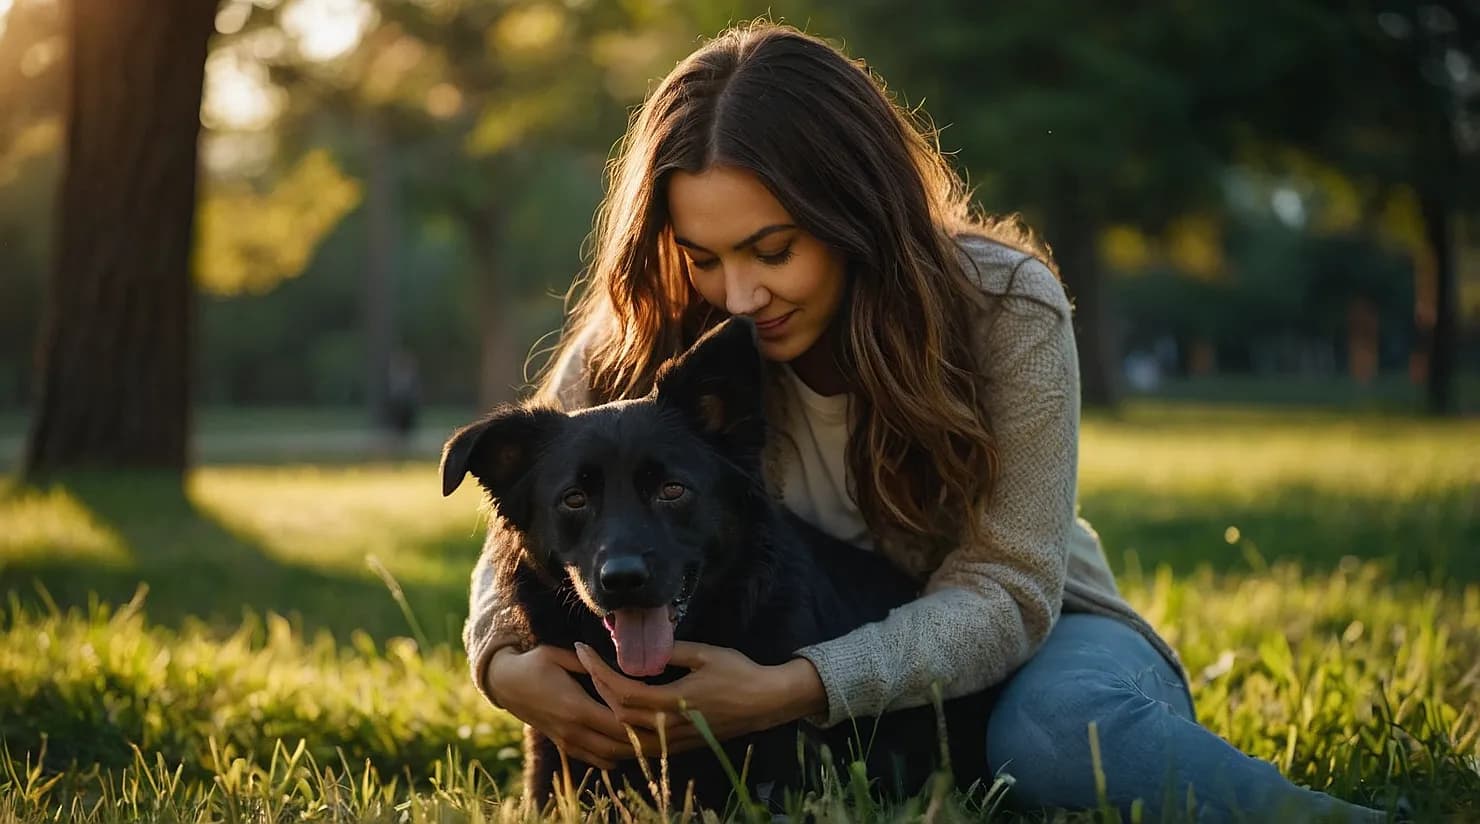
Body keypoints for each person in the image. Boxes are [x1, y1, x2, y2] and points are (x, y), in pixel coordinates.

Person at [462, 21, 1386, 823]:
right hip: (800, 645)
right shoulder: (652, 325)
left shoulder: (1002, 307)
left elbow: (1011, 588)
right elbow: (530, 514)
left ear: (851, 207)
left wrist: (796, 691)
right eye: (704, 256)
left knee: (1054, 740)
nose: (738, 294)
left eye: (772, 249)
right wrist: (504, 666)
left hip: (1045, 632)